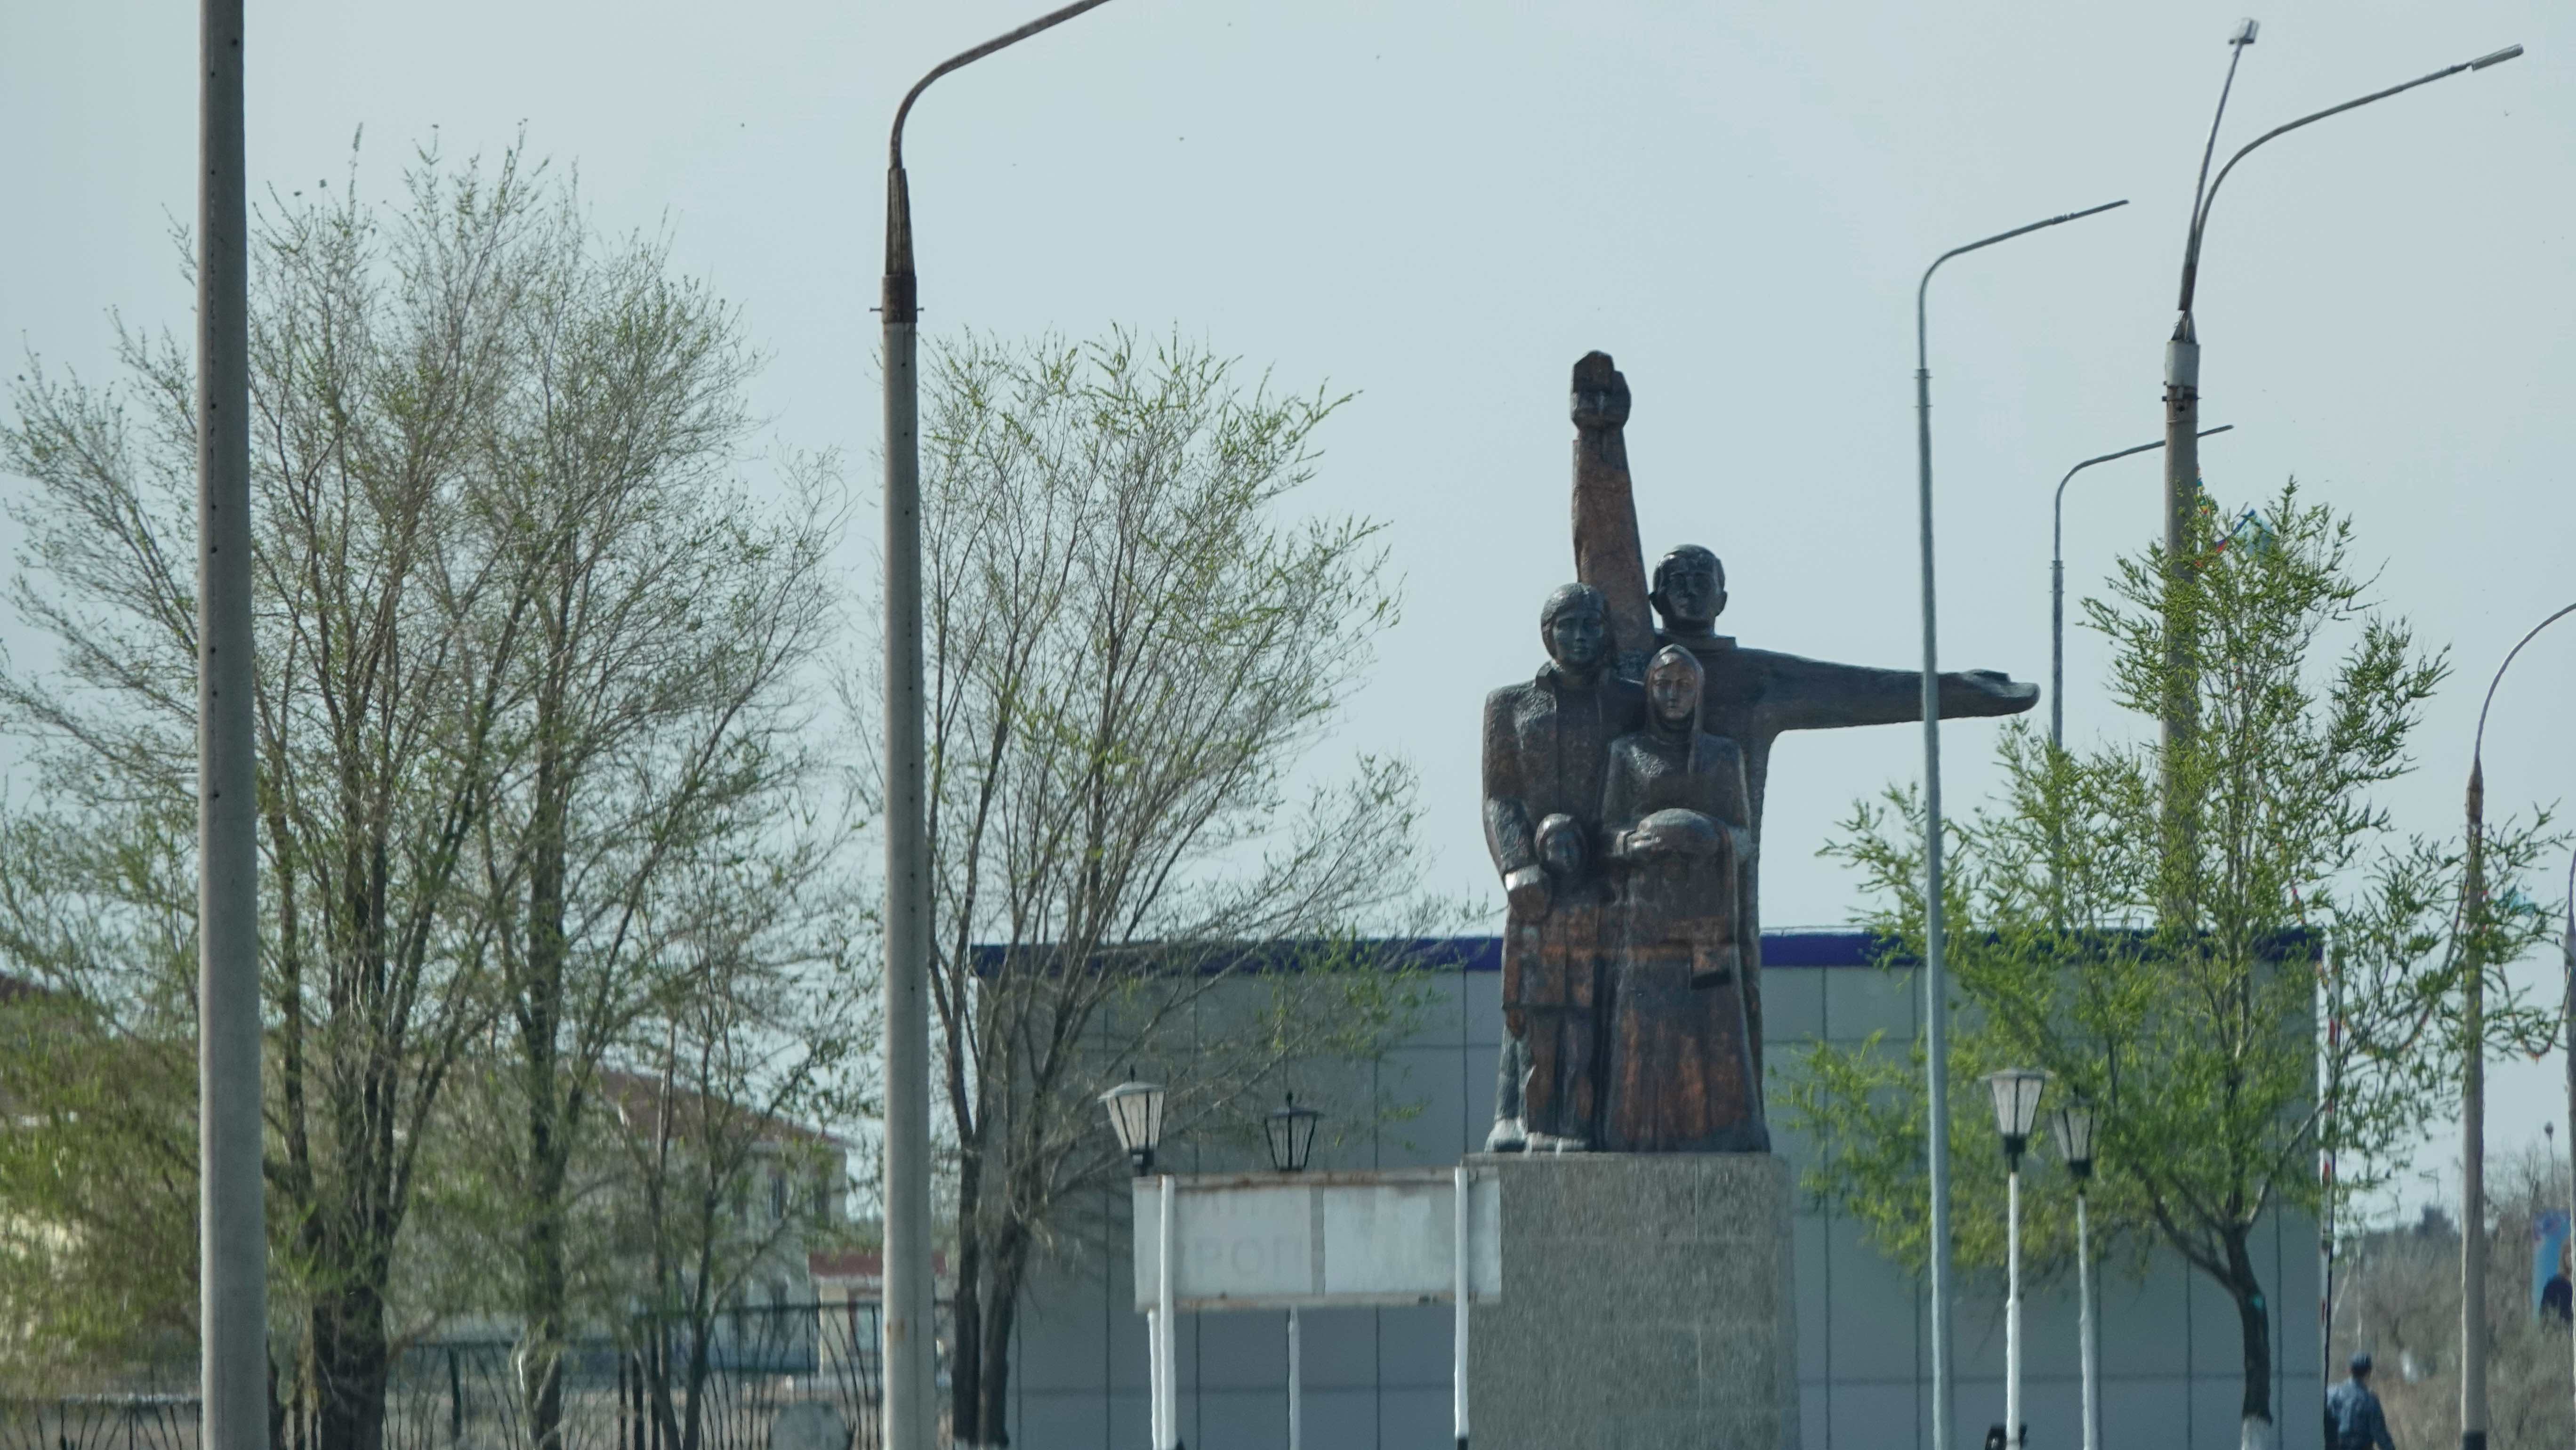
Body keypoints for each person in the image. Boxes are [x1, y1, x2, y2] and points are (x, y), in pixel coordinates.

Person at [1480, 583, 1643, 1152]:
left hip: (1608, 871)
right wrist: (1517, 866)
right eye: (1567, 625)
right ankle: (1514, 1112)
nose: (1579, 637)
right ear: (1547, 633)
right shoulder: (1510, 704)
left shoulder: (1631, 702)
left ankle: (1591, 1116)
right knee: (1531, 995)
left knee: (1596, 1002)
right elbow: (1499, 797)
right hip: (1541, 873)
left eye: (1590, 625)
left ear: (1606, 632)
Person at [1595, 644, 1764, 1153]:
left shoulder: (1722, 755)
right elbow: (1606, 830)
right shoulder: (1627, 753)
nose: (1673, 695)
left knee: (1712, 1028)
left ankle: (1722, 1133)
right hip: (1646, 919)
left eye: (1684, 686)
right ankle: (1636, 1134)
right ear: (1649, 689)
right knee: (1643, 1029)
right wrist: (1630, 843)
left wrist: (1712, 836)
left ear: (1699, 692)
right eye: (1664, 684)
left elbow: (1745, 836)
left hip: (1708, 921)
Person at [2327, 1352, 2396, 1450]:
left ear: (2349, 1370)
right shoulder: (2370, 1400)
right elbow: (2380, 1433)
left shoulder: (2331, 1393)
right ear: (2369, 1373)